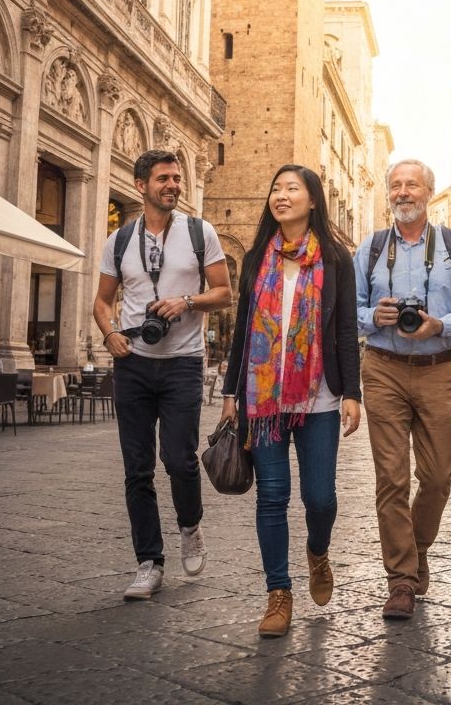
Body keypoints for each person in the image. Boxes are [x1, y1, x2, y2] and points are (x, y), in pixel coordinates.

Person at [220, 164, 361, 638]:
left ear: (312, 200)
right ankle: (278, 594)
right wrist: (229, 393)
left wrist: (352, 393)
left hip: (319, 397)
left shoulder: (336, 259)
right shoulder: (259, 255)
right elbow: (242, 329)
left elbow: (343, 330)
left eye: (291, 188)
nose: (281, 195)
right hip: (263, 401)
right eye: (275, 188)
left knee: (319, 498)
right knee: (272, 496)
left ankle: (317, 551)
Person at [93, 150, 232, 601]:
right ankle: (148, 562)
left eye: (177, 178)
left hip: (183, 362)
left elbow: (224, 293)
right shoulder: (118, 241)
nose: (173, 185)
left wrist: (186, 302)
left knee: (178, 458)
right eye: (163, 178)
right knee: (137, 469)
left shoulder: (199, 232)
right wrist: (110, 333)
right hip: (132, 361)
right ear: (140, 185)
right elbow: (102, 302)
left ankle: (190, 527)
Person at [354, 159, 451, 621]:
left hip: (436, 367)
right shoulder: (370, 248)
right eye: (395, 185)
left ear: (429, 192)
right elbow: (347, 310)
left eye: (411, 184)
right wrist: (375, 317)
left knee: (437, 475)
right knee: (391, 477)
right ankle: (402, 580)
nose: (402, 192)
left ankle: (416, 545)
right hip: (383, 368)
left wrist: (439, 324)